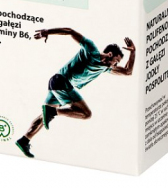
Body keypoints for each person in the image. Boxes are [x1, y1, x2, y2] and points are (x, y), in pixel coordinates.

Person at [15, 27, 136, 158]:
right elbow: (70, 32)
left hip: (56, 85)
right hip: (61, 82)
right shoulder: (91, 50)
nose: (115, 65)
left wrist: (133, 52)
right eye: (116, 61)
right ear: (110, 55)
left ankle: (24, 140)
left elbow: (128, 72)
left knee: (43, 117)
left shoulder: (105, 68)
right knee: (86, 114)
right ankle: (53, 112)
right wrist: (48, 32)